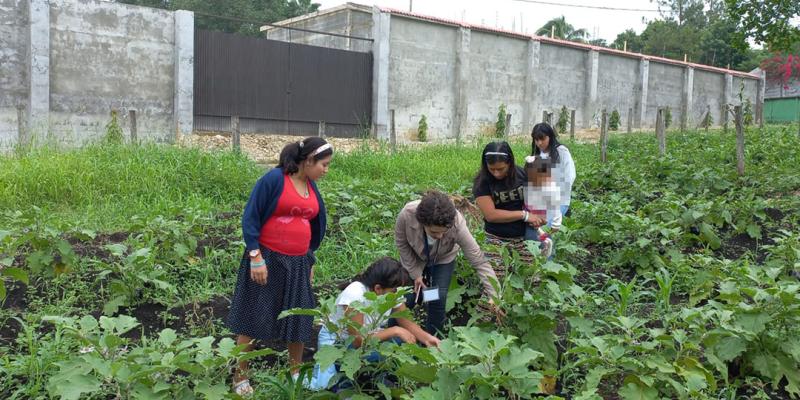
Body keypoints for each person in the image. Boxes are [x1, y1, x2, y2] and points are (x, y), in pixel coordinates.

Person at [227, 137, 333, 396]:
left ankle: (296, 373)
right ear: (308, 161)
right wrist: (256, 256)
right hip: (268, 259)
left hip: (298, 263)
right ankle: (240, 377)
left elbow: (315, 224)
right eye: (324, 164)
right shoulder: (274, 180)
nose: (326, 170)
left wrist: (309, 258)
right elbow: (251, 215)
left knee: (298, 317)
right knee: (254, 316)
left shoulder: (310, 186)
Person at [309, 257, 440, 391]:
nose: (397, 293)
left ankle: (378, 376)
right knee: (327, 386)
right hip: (339, 342)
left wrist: (427, 338)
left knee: (404, 342)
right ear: (378, 288)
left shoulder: (392, 293)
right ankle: (352, 376)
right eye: (394, 289)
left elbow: (407, 322)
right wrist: (394, 330)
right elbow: (358, 341)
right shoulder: (355, 294)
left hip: (369, 337)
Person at [395, 190, 500, 337]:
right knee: (406, 296)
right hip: (414, 258)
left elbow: (478, 260)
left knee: (438, 295)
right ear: (423, 223)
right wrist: (416, 274)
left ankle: (432, 338)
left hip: (443, 258)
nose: (440, 236)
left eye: (444, 232)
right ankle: (394, 331)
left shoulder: (458, 225)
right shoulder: (407, 215)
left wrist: (493, 292)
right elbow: (402, 244)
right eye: (434, 232)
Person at [472, 141, 546, 276]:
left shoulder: (522, 175)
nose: (496, 173)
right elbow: (491, 215)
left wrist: (538, 216)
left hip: (524, 237)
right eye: (491, 168)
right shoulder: (481, 183)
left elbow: (536, 202)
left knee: (531, 278)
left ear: (510, 163)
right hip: (496, 237)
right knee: (494, 280)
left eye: (501, 169)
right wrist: (524, 215)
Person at [531, 123, 576, 221]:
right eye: (536, 140)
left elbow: (570, 175)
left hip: (560, 201)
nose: (539, 143)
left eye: (542, 139)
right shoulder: (537, 155)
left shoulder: (561, 151)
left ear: (550, 137)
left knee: (546, 228)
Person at [523, 155, 562, 259]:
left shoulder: (550, 190)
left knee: (531, 239)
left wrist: (556, 224)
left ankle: (544, 248)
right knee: (534, 235)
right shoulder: (525, 186)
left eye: (546, 178)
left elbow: (556, 207)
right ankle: (544, 243)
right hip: (528, 217)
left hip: (542, 218)